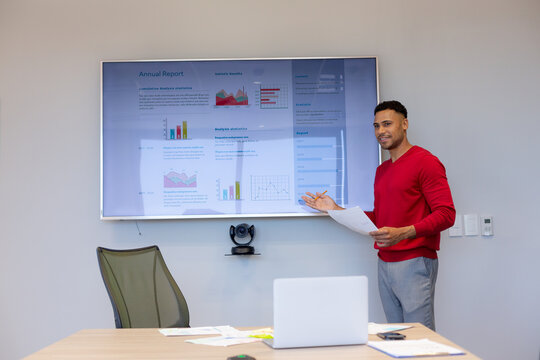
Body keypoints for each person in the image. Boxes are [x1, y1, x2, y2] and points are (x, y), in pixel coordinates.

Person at [302, 100, 455, 330]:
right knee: (396, 336)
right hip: (385, 262)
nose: (380, 131)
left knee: (420, 339)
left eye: (386, 124)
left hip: (415, 261)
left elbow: (446, 214)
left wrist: (404, 233)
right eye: (376, 126)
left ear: (404, 124)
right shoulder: (382, 170)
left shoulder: (426, 162)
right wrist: (335, 209)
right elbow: (381, 218)